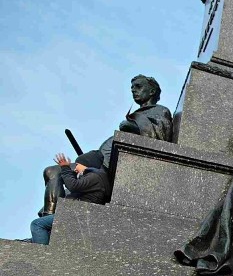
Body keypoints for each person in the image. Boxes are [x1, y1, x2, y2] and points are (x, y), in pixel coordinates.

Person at [39, 75, 172, 217]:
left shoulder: (159, 111)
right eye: (132, 88)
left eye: (138, 86)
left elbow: (159, 137)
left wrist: (133, 126)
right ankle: (50, 223)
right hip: (97, 164)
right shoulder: (138, 114)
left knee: (54, 172)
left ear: (152, 91)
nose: (133, 90)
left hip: (107, 173)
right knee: (54, 176)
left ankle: (50, 221)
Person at [30, 151, 109, 245]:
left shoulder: (95, 176)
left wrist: (65, 168)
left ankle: (42, 255)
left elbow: (73, 185)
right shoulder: (95, 177)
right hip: (78, 213)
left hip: (78, 215)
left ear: (86, 164)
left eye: (77, 165)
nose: (75, 168)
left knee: (37, 224)